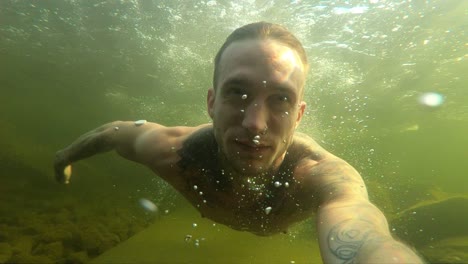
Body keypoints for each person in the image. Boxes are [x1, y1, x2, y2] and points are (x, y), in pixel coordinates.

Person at [54, 22, 423, 263]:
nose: (255, 124)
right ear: (212, 102)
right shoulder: (174, 151)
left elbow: (364, 235)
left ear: (299, 115)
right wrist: (64, 158)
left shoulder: (321, 176)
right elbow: (110, 132)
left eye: (281, 99)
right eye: (237, 93)